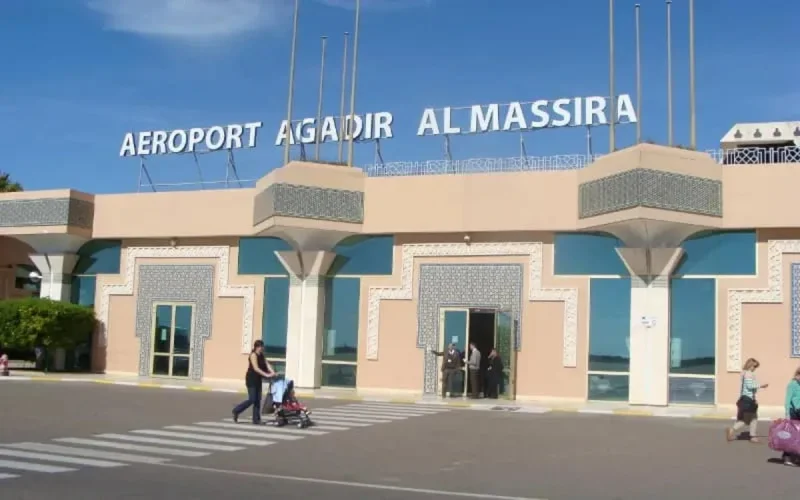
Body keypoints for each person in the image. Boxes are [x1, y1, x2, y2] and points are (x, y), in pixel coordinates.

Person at [232, 340, 275, 424]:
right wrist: (266, 375)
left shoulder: (262, 355)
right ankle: (236, 410)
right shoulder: (253, 355)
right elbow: (256, 368)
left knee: (258, 399)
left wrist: (272, 372)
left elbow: (267, 364)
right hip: (251, 379)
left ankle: (256, 419)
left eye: (262, 347)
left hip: (258, 379)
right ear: (256, 347)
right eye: (260, 347)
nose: (261, 349)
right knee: (252, 399)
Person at [727, 358, 768, 443]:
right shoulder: (749, 374)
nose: (755, 368)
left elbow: (748, 388)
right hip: (748, 400)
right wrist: (761, 385)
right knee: (748, 419)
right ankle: (733, 430)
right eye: (754, 366)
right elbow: (749, 386)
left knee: (753, 418)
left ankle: (752, 436)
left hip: (747, 399)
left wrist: (754, 398)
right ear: (750, 365)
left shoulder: (744, 373)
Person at [781, 367, 800, 466]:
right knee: (792, 436)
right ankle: (787, 457)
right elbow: (787, 401)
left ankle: (796, 457)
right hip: (794, 413)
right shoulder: (792, 384)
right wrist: (787, 415)